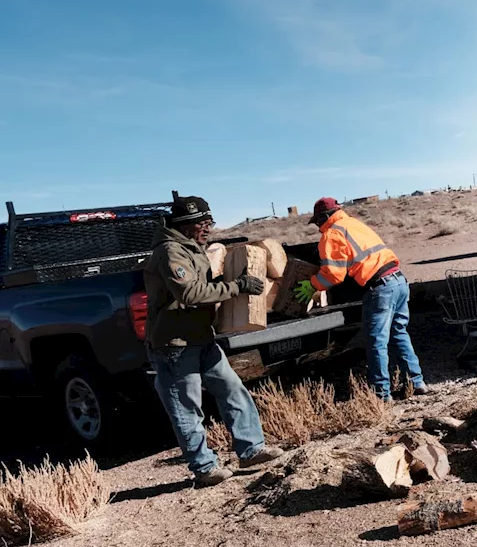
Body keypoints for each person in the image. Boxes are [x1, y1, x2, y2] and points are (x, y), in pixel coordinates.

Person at [143, 196, 284, 487]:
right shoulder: (171, 252)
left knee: (232, 388)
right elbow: (190, 294)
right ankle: (205, 468)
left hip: (201, 337)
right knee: (186, 407)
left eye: (209, 222)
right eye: (202, 223)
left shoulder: (191, 248)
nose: (208, 228)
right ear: (185, 225)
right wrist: (235, 287)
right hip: (175, 345)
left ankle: (251, 450)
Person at [294, 198, 429, 401]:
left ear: (324, 217)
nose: (318, 227)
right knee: (398, 333)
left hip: (380, 288)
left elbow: (333, 274)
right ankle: (416, 383)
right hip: (399, 281)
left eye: (317, 222)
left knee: (376, 341)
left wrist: (313, 284)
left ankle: (381, 395)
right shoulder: (354, 224)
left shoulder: (332, 233)